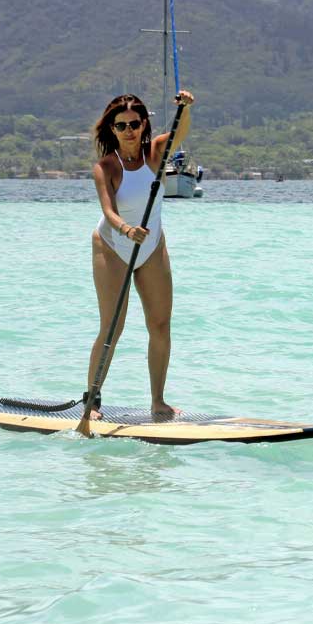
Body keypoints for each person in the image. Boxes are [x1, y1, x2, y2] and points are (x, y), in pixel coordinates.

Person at [86, 91, 194, 420]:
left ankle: (158, 402)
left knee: (160, 324)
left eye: (134, 124)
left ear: (143, 124)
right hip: (113, 246)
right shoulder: (106, 167)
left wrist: (185, 108)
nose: (129, 130)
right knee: (113, 327)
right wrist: (126, 230)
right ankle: (91, 402)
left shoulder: (157, 153)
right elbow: (109, 211)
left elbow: (181, 131)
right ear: (112, 130)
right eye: (121, 126)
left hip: (152, 245)